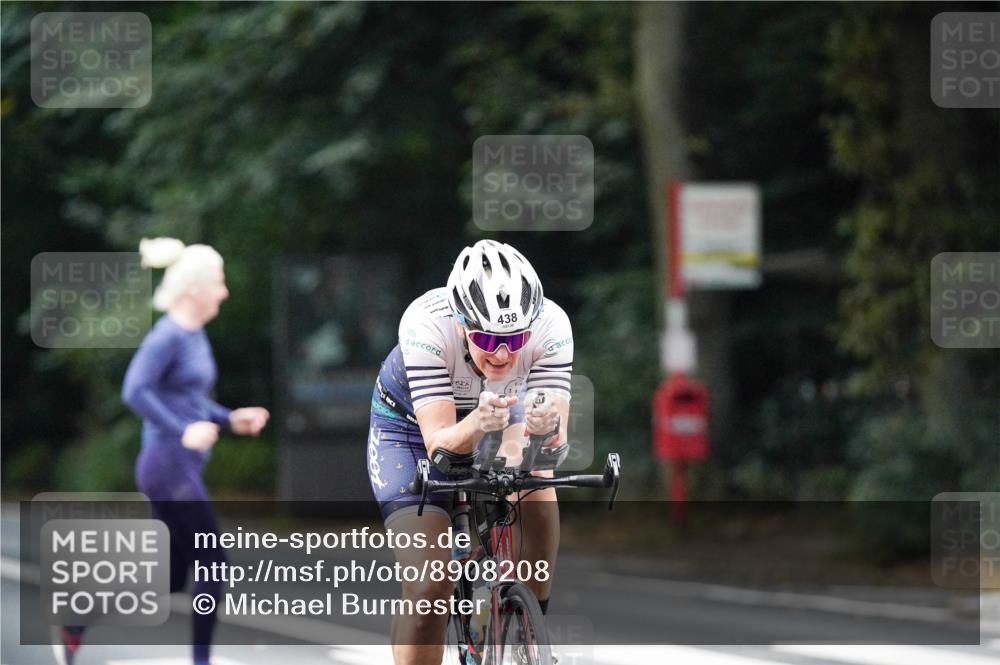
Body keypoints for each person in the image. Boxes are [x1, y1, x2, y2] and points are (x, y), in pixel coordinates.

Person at [53, 238, 270, 665]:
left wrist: (230, 419)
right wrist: (183, 428)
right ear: (195, 288)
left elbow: (192, 401)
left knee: (169, 577)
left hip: (176, 465)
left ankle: (78, 615)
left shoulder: (193, 334)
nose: (224, 292)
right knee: (213, 562)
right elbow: (134, 390)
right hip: (167, 464)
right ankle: (201, 661)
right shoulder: (167, 335)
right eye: (219, 282)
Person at [367, 239, 572, 665]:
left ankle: (530, 623)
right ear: (461, 324)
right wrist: (477, 423)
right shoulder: (425, 324)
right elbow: (440, 443)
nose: (501, 353)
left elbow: (553, 442)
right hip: (410, 429)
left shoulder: (552, 325)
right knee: (429, 589)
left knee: (538, 479)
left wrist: (544, 430)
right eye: (486, 337)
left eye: (515, 340)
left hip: (501, 413)